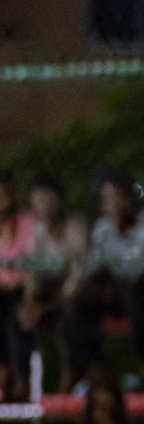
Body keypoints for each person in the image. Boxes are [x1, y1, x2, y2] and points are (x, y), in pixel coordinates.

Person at [80, 170, 144, 381]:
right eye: (106, 199)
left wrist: (120, 279)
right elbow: (94, 268)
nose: (112, 204)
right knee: (79, 302)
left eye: (116, 196)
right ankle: (91, 368)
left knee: (134, 291)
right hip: (120, 296)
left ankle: (142, 366)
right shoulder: (102, 229)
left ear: (130, 197)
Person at [20, 175, 91, 392]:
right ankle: (18, 376)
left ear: (59, 200)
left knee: (71, 313)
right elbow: (33, 272)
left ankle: (73, 371)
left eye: (47, 200)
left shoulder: (76, 227)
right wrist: (29, 302)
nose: (42, 207)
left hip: (79, 295)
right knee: (16, 313)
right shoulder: (39, 232)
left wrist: (46, 306)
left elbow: (80, 276)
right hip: (52, 294)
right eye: (37, 201)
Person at [0, 172, 36, 401]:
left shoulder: (27, 222)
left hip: (26, 288)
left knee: (15, 315)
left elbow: (34, 262)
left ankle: (19, 376)